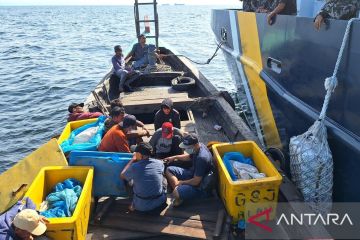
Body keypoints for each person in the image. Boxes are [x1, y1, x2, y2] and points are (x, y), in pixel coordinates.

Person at [165, 134, 214, 207]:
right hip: (192, 173)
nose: (185, 149)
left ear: (195, 145)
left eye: (187, 147)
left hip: (200, 186)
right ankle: (179, 191)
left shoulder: (202, 158)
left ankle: (179, 192)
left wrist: (181, 182)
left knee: (175, 193)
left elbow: (196, 181)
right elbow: (189, 157)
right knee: (169, 170)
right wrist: (174, 157)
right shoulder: (199, 146)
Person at [120, 142, 167, 215]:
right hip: (160, 203)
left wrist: (132, 160)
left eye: (136, 153)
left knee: (128, 180)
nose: (135, 154)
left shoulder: (134, 167)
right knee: (162, 178)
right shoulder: (159, 163)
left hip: (142, 207)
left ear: (139, 154)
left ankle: (133, 203)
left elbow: (122, 175)